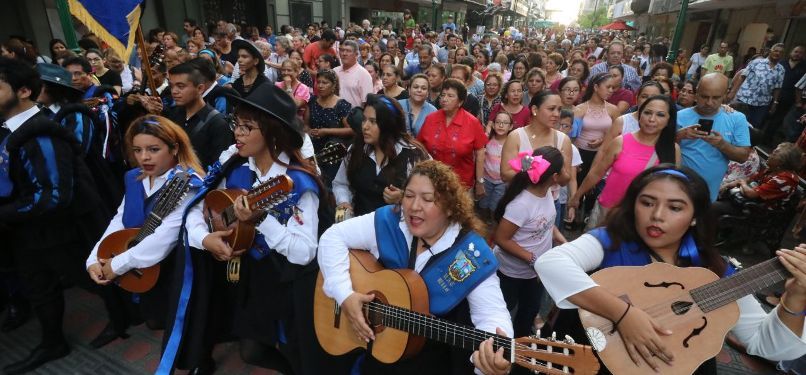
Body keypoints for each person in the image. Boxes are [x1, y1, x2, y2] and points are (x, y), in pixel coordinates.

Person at [535, 165, 806, 373]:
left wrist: (794, 297)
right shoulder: (609, 241)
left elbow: (766, 346)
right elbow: (551, 262)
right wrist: (625, 314)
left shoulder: (714, 270)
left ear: (695, 218)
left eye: (675, 207)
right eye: (647, 202)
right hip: (588, 358)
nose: (657, 215)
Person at [161, 83, 325, 374]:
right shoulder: (234, 163)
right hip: (245, 270)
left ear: (273, 133)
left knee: (290, 349)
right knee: (245, 344)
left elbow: (304, 253)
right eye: (237, 124)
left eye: (247, 127)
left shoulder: (299, 184)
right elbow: (197, 206)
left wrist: (261, 220)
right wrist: (206, 236)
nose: (237, 132)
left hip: (285, 278)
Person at [319, 159, 513, 375]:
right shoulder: (391, 221)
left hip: (429, 363)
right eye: (409, 196)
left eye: (428, 199)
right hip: (376, 353)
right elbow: (332, 238)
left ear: (450, 208)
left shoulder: (470, 253)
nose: (413, 206)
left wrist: (494, 355)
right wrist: (345, 295)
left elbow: (492, 314)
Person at [0, 57, 110, 374]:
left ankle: (128, 317)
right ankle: (52, 342)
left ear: (23, 91)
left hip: (55, 230)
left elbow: (53, 196)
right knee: (39, 286)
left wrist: (5, 213)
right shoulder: (9, 130)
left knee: (92, 280)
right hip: (26, 229)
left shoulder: (41, 134)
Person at [86, 115, 204, 339]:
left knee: (184, 323)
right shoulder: (133, 178)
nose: (144, 157)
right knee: (155, 320)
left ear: (174, 148)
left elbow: (164, 239)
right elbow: (119, 220)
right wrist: (94, 258)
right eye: (137, 150)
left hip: (176, 270)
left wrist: (117, 264)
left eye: (153, 149)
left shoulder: (186, 183)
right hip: (143, 267)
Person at [570, 95, 680, 228]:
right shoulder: (621, 142)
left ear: (669, 120)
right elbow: (597, 173)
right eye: (647, 113)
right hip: (607, 212)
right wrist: (577, 196)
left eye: (660, 115)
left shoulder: (672, 150)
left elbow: (671, 186)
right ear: (639, 115)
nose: (652, 119)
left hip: (640, 219)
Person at [493, 146, 566, 338]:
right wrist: (533, 259)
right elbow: (501, 238)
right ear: (555, 176)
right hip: (511, 273)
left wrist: (558, 236)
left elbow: (546, 220)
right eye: (565, 169)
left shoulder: (547, 192)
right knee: (502, 313)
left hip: (535, 273)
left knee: (528, 312)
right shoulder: (521, 205)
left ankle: (521, 351)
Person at [333, 94, 430, 217]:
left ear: (389, 124)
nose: (365, 126)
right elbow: (341, 183)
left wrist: (403, 197)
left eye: (373, 122)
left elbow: (429, 196)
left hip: (396, 229)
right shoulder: (356, 149)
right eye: (364, 119)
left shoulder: (413, 154)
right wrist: (344, 201)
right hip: (360, 227)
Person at [676, 73, 751, 201]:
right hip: (677, 188)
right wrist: (679, 135)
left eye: (716, 97)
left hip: (707, 195)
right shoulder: (680, 116)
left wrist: (722, 144)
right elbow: (660, 146)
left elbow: (743, 156)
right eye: (704, 97)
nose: (709, 103)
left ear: (725, 95)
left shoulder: (737, 119)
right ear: (697, 93)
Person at [418, 78, 487, 196]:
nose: (445, 99)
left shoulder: (472, 122)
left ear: (460, 102)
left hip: (461, 185)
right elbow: (420, 147)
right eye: (443, 95)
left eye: (450, 96)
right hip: (432, 181)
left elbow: (480, 152)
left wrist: (480, 182)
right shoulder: (431, 119)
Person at [165, 62, 232, 168]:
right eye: (171, 86)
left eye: (180, 86)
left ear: (200, 88)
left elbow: (219, 168)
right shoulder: (173, 115)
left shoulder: (218, 124)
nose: (174, 91)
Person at [715, 142, 802, 217]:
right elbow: (749, 179)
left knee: (712, 207)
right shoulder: (772, 170)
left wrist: (742, 183)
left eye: (773, 154)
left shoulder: (785, 179)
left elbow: (751, 193)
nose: (769, 155)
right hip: (748, 202)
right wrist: (727, 185)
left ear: (781, 162)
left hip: (760, 212)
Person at [305, 69, 354, 185]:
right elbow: (305, 124)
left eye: (325, 83)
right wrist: (309, 130)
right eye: (319, 82)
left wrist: (326, 131)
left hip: (333, 153)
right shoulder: (312, 101)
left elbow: (351, 130)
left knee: (330, 185)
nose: (320, 86)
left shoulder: (341, 105)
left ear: (333, 85)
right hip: (312, 150)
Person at [728, 43, 786, 131]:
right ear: (771, 51)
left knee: (752, 127)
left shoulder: (781, 69)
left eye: (780, 52)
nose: (778, 53)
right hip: (744, 99)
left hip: (762, 104)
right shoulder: (756, 62)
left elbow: (777, 87)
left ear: (782, 55)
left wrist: (775, 103)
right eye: (776, 51)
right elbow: (742, 76)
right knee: (735, 122)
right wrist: (732, 92)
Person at [479, 111, 514, 221]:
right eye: (498, 122)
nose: (501, 125)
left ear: (511, 126)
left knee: (495, 206)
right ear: (493, 125)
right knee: (483, 203)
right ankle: (484, 223)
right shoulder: (487, 140)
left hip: (502, 182)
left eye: (505, 123)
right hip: (486, 179)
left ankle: (493, 224)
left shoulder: (512, 143)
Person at [335, 40, 374, 108]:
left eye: (348, 51)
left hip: (353, 115)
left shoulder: (364, 75)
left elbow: (366, 102)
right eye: (342, 50)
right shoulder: (334, 71)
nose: (344, 53)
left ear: (356, 54)